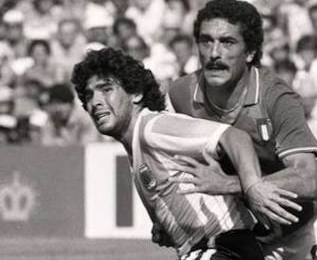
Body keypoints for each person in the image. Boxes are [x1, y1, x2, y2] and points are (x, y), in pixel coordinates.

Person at [167, 0, 317, 260]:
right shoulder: (181, 95)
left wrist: (232, 184)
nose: (213, 53)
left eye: (227, 42)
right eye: (206, 40)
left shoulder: (276, 98)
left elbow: (308, 178)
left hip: (307, 228)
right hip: (245, 239)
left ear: (249, 52)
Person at [71, 47, 303, 260]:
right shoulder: (138, 147)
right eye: (89, 95)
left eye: (106, 89)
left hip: (224, 248)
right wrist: (168, 226)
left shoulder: (152, 127)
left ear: (136, 94)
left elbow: (234, 137)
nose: (95, 102)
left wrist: (253, 186)